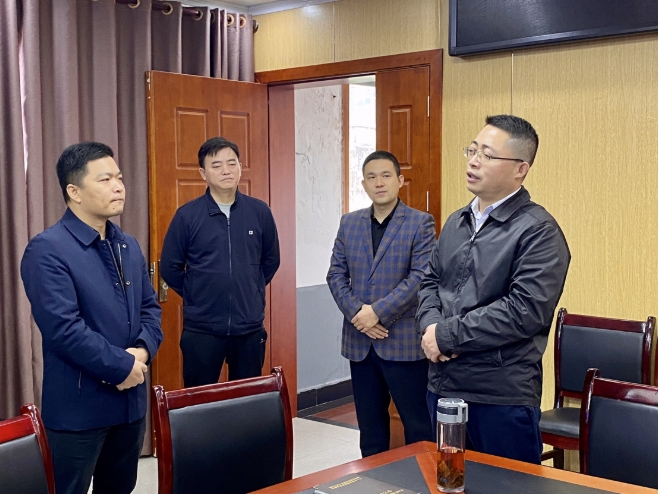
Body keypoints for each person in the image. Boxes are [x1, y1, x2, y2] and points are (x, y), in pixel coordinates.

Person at [417, 115, 570, 464]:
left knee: (508, 486)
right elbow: (430, 281)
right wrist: (431, 328)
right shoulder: (457, 221)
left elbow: (524, 311)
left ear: (520, 169)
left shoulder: (539, 231)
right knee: (450, 481)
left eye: (487, 155)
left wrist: (447, 336)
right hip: (442, 386)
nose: (474, 161)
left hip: (499, 396)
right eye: (472, 150)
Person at [20, 142, 163, 494]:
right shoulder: (48, 249)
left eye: (119, 178)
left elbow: (150, 309)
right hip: (79, 410)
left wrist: (141, 353)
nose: (119, 187)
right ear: (74, 191)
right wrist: (122, 366)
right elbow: (64, 329)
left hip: (129, 406)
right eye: (105, 179)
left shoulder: (127, 245)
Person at [327, 150, 435, 457]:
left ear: (400, 180)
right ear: (363, 184)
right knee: (370, 428)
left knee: (418, 426)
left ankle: (421, 481)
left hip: (402, 342)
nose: (379, 183)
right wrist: (358, 314)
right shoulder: (349, 223)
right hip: (360, 342)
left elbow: (421, 277)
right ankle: (373, 480)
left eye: (386, 175)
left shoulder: (420, 223)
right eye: (371, 177)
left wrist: (377, 313)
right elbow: (335, 274)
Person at [160, 137, 280, 387]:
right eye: (216, 165)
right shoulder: (187, 216)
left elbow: (271, 260)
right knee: (199, 400)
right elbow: (170, 267)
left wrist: (251, 287)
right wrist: (196, 292)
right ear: (203, 173)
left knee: (246, 399)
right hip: (202, 330)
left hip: (249, 328)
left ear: (240, 167)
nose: (226, 170)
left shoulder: (259, 212)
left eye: (231, 163)